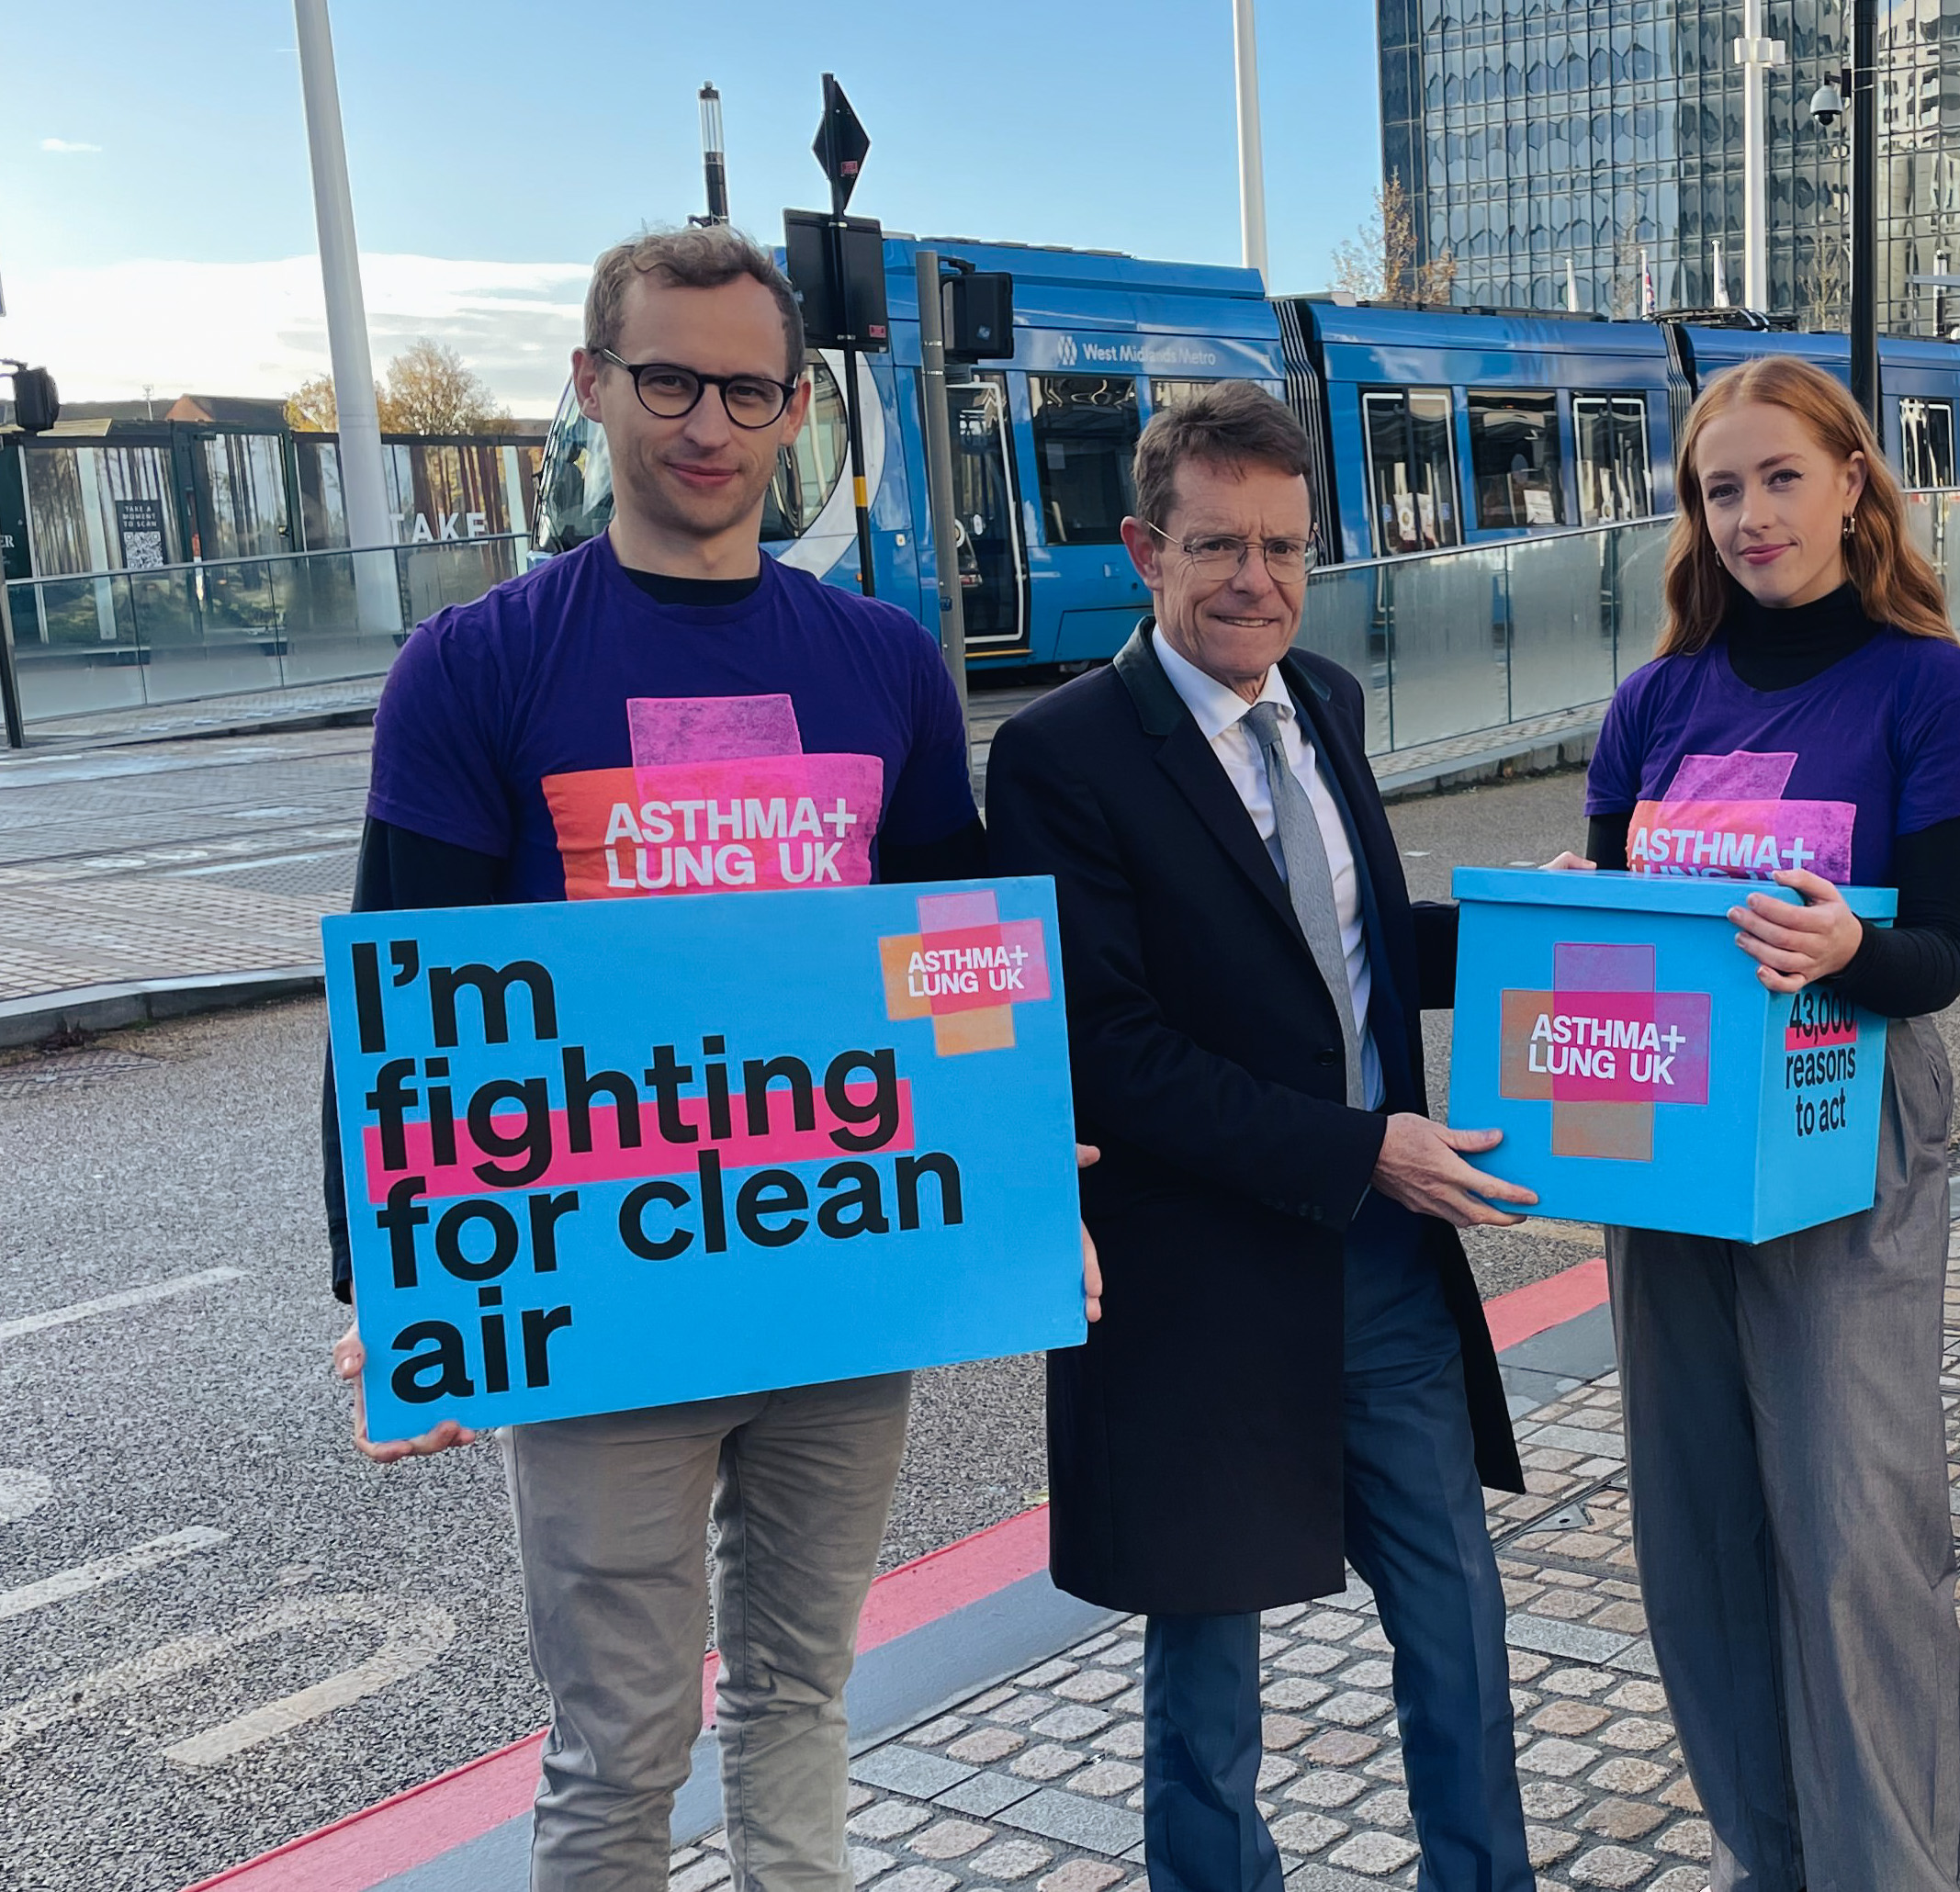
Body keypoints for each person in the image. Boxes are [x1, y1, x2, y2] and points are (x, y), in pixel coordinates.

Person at [316, 224, 1042, 1892]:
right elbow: (399, 994)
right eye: (666, 380)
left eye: (747, 390)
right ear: (590, 384)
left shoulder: (881, 666)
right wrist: (387, 1281)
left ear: (797, 410)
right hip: (603, 1303)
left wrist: (1019, 1175)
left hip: (838, 1272)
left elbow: (961, 964)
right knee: (616, 1754)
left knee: (800, 1694)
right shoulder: (475, 667)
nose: (705, 424)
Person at [986, 382, 1537, 1892]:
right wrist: (1359, 1148)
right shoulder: (1060, 756)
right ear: (1143, 551)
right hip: (1201, 1280)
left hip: (1379, 1270)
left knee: (1457, 1628)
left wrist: (1543, 928)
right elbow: (1105, 1052)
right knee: (1207, 1679)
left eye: (1285, 547)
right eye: (1218, 546)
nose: (1256, 581)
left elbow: (1345, 953)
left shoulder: (1329, 704)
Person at [1549, 355, 1960, 1892]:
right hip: (1672, 1141)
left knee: (1850, 1538)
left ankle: (1893, 1870)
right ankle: (1776, 1858)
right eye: (1717, 488)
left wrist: (1846, 953)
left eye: (1776, 477)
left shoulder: (1927, 688)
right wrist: (1568, 922)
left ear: (1849, 481)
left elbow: (1939, 954)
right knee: (1694, 1542)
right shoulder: (1651, 704)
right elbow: (1623, 930)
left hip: (1843, 1132)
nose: (1748, 515)